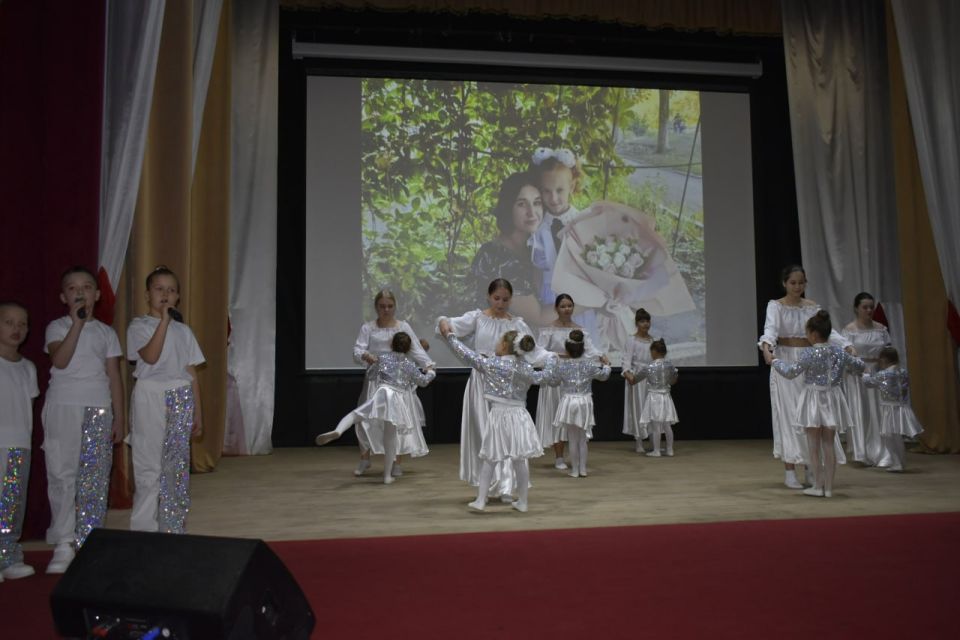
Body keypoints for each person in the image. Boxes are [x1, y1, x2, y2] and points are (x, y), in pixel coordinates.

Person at [41, 267, 124, 574]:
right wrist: (76, 325)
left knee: (94, 477)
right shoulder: (57, 327)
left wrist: (119, 417)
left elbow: (114, 376)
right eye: (73, 288)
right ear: (64, 297)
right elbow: (59, 361)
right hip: (63, 406)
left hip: (98, 407)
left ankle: (88, 540)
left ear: (97, 295)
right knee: (62, 473)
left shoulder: (107, 333)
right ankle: (64, 542)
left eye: (87, 287)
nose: (81, 292)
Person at [437, 278, 547, 501]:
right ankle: (487, 487)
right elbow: (449, 325)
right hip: (481, 380)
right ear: (489, 297)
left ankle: (506, 486)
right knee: (486, 435)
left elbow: (533, 351)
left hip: (505, 385)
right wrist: (443, 322)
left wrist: (553, 358)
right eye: (497, 298)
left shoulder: (517, 324)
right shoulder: (478, 318)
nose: (501, 303)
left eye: (506, 299)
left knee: (508, 435)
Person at [758, 265, 852, 489]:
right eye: (793, 283)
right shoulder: (776, 306)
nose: (797, 287)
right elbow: (770, 330)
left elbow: (828, 332)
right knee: (789, 415)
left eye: (801, 283)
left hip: (811, 362)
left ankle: (812, 468)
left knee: (812, 417)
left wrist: (846, 345)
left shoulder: (812, 307)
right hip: (787, 361)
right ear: (784, 283)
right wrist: (766, 347)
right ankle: (790, 469)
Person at [441, 327, 553, 512]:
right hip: (520, 416)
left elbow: (466, 353)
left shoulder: (492, 364)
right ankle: (523, 502)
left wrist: (450, 336)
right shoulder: (525, 368)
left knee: (490, 459)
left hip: (499, 415)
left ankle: (481, 500)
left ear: (504, 345)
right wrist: (553, 361)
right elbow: (545, 377)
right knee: (519, 460)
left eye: (499, 340)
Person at [126, 266, 204, 533]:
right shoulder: (139, 326)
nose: (165, 294)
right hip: (150, 395)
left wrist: (198, 412)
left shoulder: (185, 331)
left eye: (171, 290)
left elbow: (191, 371)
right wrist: (163, 322)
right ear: (148, 295)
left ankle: (172, 528)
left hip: (180, 396)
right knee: (149, 465)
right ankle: (144, 530)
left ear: (178, 297)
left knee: (176, 467)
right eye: (159, 289)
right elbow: (150, 356)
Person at [316, 332, 435, 483]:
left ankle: (338, 430)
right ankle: (387, 476)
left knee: (356, 415)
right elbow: (423, 381)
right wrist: (431, 373)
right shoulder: (409, 365)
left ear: (391, 344)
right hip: (397, 400)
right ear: (409, 348)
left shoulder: (383, 358)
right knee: (390, 438)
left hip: (382, 394)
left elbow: (371, 375)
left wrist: (375, 364)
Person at [772, 311, 864, 498]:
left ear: (813, 334)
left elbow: (791, 372)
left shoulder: (809, 353)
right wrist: (854, 355)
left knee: (813, 444)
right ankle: (828, 488)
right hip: (833, 398)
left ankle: (818, 485)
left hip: (813, 398)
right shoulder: (838, 352)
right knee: (828, 444)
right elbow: (859, 366)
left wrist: (775, 361)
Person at [351, 290, 434, 477]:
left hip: (396, 383)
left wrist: (427, 365)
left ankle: (396, 461)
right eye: (382, 306)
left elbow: (415, 349)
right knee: (366, 420)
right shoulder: (368, 328)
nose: (386, 310)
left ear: (395, 306)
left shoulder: (402, 326)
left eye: (389, 306)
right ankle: (365, 458)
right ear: (376, 307)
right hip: (375, 380)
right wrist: (365, 355)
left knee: (395, 421)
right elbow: (358, 349)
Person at [470, 172, 555, 326]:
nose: (531, 212)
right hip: (491, 344)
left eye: (536, 203)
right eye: (522, 204)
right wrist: (593, 301)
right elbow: (539, 317)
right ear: (508, 207)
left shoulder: (533, 250)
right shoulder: (497, 256)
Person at [528, 147, 597, 335]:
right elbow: (536, 271)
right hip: (549, 302)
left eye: (560, 190)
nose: (554, 198)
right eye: (547, 191)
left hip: (578, 299)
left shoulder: (583, 223)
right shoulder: (537, 228)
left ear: (572, 186)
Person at [535, 294, 608, 470]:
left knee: (576, 420)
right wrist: (560, 356)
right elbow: (539, 354)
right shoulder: (549, 330)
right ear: (556, 308)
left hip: (576, 380)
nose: (566, 309)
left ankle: (577, 459)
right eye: (563, 306)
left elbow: (590, 351)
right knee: (556, 417)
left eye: (569, 306)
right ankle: (559, 457)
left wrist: (601, 356)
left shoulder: (580, 331)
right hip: (556, 378)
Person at [0, 302, 39, 581]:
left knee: (12, 503)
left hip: (18, 445)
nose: (17, 329)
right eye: (9, 322)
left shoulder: (28, 368)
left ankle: (8, 556)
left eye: (22, 324)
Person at [546, 329, 611, 478]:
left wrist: (551, 369)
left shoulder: (562, 366)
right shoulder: (589, 365)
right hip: (584, 402)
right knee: (583, 439)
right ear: (583, 349)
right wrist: (607, 365)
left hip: (569, 401)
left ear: (567, 349)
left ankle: (575, 470)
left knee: (572, 439)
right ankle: (583, 469)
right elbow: (604, 376)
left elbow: (553, 382)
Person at [841, 292, 893, 466]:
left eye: (871, 307)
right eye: (865, 307)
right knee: (861, 411)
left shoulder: (881, 329)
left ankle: (882, 452)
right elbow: (845, 355)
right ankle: (862, 452)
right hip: (858, 375)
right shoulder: (850, 330)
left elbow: (888, 353)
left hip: (878, 373)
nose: (869, 310)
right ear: (857, 309)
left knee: (879, 411)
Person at [863, 346, 923, 472]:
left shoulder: (884, 374)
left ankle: (897, 462)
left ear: (884, 360)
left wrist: (865, 372)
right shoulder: (903, 372)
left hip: (890, 409)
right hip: (902, 407)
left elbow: (868, 382)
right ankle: (900, 461)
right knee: (896, 436)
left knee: (888, 436)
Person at [635, 339, 680, 457]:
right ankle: (670, 449)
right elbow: (673, 380)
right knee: (667, 425)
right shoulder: (670, 365)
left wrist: (626, 373)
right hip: (666, 397)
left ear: (654, 351)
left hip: (654, 398)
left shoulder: (649, 366)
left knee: (656, 425)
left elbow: (635, 379)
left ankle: (656, 450)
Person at [621, 308, 654, 453]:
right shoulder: (631, 340)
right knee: (638, 409)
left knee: (652, 409)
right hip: (637, 379)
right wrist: (629, 376)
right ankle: (639, 441)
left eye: (647, 321)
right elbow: (626, 361)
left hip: (651, 379)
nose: (645, 324)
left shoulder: (653, 340)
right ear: (636, 323)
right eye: (642, 321)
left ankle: (654, 438)